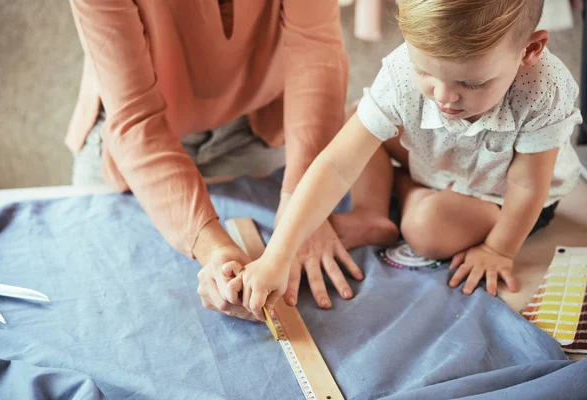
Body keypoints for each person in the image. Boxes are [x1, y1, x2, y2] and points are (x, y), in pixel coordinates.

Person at [235, 0, 583, 321]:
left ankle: (406, 191)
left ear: (530, 50)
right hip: (438, 158)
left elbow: (527, 186)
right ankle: (372, 212)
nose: (444, 96)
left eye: (471, 82)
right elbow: (336, 164)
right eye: (425, 72)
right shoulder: (402, 72)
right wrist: (276, 255)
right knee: (353, 121)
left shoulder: (544, 89)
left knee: (426, 228)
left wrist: (498, 250)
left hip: (502, 197)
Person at [66, 1, 369, 321]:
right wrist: (215, 251)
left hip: (251, 126)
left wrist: (302, 207)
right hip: (132, 141)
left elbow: (315, 54)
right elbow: (135, 118)